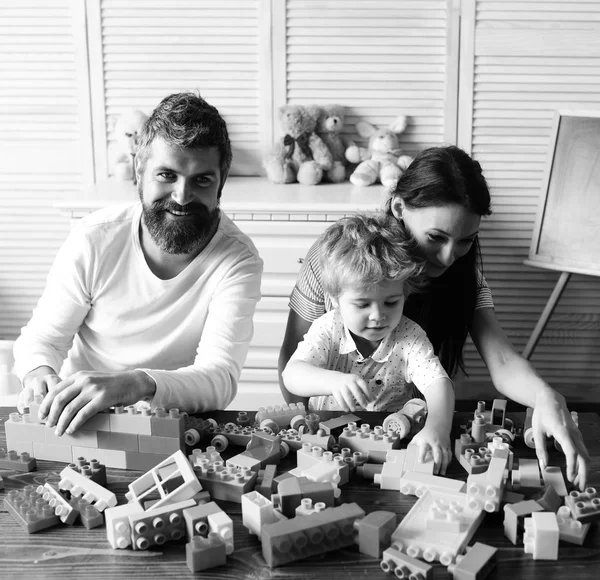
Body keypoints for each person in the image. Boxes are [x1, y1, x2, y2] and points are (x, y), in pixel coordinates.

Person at [279, 145, 590, 490]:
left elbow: (501, 360)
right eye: (436, 237)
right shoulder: (336, 258)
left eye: (465, 241)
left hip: (408, 432)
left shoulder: (461, 281)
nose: (447, 258)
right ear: (399, 207)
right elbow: (292, 360)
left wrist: (546, 396)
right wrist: (307, 433)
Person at [14, 92, 263, 436]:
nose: (181, 196)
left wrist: (135, 383)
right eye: (166, 175)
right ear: (139, 171)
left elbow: (219, 377)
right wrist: (40, 375)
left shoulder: (238, 260)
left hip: (175, 425)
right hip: (81, 421)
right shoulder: (93, 238)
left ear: (220, 184)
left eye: (201, 180)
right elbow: (42, 341)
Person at [282, 213, 455, 473]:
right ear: (335, 298)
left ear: (405, 294)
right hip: (330, 444)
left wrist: (437, 428)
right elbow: (292, 374)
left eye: (391, 302)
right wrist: (332, 381)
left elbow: (438, 384)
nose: (378, 316)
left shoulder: (409, 336)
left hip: (391, 443)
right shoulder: (329, 328)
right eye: (362, 304)